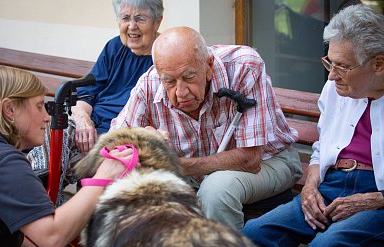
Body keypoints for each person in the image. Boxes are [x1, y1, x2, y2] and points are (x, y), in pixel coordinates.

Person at [243, 4, 384, 247]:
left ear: (378, 64)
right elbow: (323, 145)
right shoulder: (335, 87)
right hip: (330, 184)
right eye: (330, 63)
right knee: (255, 237)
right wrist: (309, 186)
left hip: (379, 197)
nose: (331, 76)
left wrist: (376, 199)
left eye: (343, 66)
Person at [0, 66, 133, 247]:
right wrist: (103, 176)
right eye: (39, 106)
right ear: (9, 109)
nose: (47, 117)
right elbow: (53, 237)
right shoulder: (3, 163)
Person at [111, 26, 303, 232]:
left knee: (215, 190)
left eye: (189, 77)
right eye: (170, 82)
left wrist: (176, 166)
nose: (181, 92)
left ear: (209, 65)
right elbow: (117, 142)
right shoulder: (149, 84)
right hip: (196, 172)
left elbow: (251, 159)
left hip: (269, 160)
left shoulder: (244, 66)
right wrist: (143, 139)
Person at [26, 0, 164, 205]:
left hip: (125, 135)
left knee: (85, 160)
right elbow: (88, 91)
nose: (132, 26)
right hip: (91, 128)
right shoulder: (114, 47)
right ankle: (42, 199)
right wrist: (83, 120)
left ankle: (50, 210)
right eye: (125, 18)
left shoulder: (165, 53)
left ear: (157, 21)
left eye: (140, 18)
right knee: (54, 131)